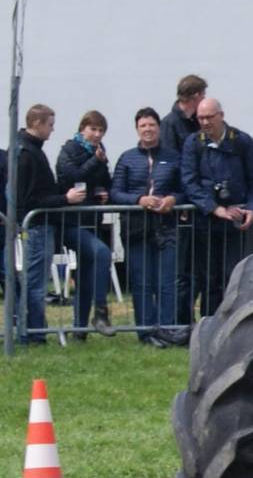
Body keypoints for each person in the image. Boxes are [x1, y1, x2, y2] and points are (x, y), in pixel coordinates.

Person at [10, 105, 88, 343]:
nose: (52, 130)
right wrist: (65, 198)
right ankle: (32, 334)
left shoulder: (27, 150)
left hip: (39, 225)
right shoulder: (27, 154)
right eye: (50, 125)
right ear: (37, 123)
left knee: (34, 282)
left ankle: (35, 330)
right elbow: (31, 198)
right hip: (37, 226)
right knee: (35, 284)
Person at [181, 97, 253, 318]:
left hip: (237, 222)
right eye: (201, 118)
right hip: (207, 222)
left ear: (221, 115)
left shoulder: (241, 141)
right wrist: (214, 208)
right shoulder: (193, 143)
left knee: (235, 276)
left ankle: (235, 322)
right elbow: (189, 182)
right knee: (209, 278)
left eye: (210, 117)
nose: (205, 122)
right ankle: (210, 325)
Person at [110, 107, 185, 347]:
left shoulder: (173, 156)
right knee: (142, 283)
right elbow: (115, 192)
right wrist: (138, 200)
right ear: (137, 129)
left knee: (167, 281)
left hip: (166, 228)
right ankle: (145, 331)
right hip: (136, 229)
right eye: (143, 125)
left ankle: (167, 328)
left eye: (152, 125)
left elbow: (185, 189)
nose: (148, 129)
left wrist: (172, 200)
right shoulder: (127, 158)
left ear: (158, 127)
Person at [54, 110, 115, 336]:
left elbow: (104, 180)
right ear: (83, 129)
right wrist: (94, 161)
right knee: (102, 253)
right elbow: (71, 176)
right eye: (93, 129)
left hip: (92, 220)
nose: (97, 135)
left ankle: (79, 329)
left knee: (86, 274)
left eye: (101, 130)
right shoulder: (69, 149)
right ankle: (100, 312)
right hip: (71, 222)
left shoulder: (100, 152)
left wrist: (104, 192)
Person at [161, 74, 207, 324]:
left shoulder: (195, 124)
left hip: (195, 202)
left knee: (198, 269)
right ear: (196, 96)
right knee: (183, 271)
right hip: (183, 204)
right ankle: (181, 320)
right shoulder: (171, 124)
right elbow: (174, 165)